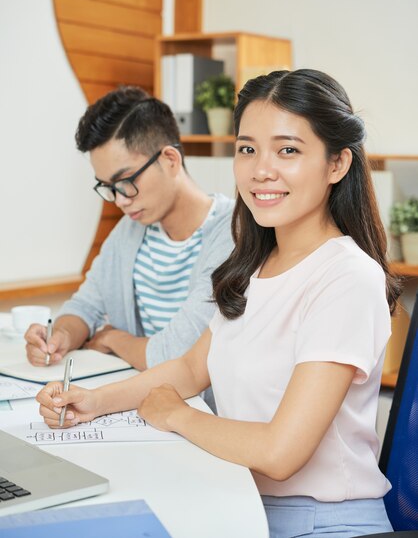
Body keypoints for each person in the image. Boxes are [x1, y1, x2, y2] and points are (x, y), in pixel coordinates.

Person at [37, 69, 401, 538]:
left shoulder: (345, 278)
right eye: (247, 148)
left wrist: (176, 415)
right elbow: (190, 369)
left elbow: (281, 453)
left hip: (319, 522)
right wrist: (92, 402)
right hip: (237, 500)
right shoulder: (255, 264)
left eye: (288, 150)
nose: (260, 169)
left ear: (337, 165)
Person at [25, 86, 234, 377]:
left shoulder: (233, 233)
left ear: (170, 160)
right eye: (108, 188)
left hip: (202, 414)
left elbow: (176, 354)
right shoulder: (131, 230)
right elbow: (85, 306)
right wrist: (59, 336)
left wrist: (112, 338)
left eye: (126, 181)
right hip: (138, 406)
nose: (121, 200)